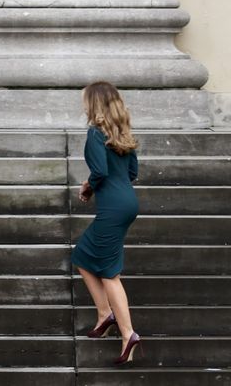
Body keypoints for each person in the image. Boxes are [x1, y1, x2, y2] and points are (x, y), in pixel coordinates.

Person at [72, 82, 142, 365]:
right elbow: (133, 172)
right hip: (127, 202)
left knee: (109, 272)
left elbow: (99, 171)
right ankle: (105, 314)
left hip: (112, 207)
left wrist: (89, 186)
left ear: (93, 105)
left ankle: (128, 333)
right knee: (83, 256)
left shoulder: (94, 134)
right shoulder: (122, 134)